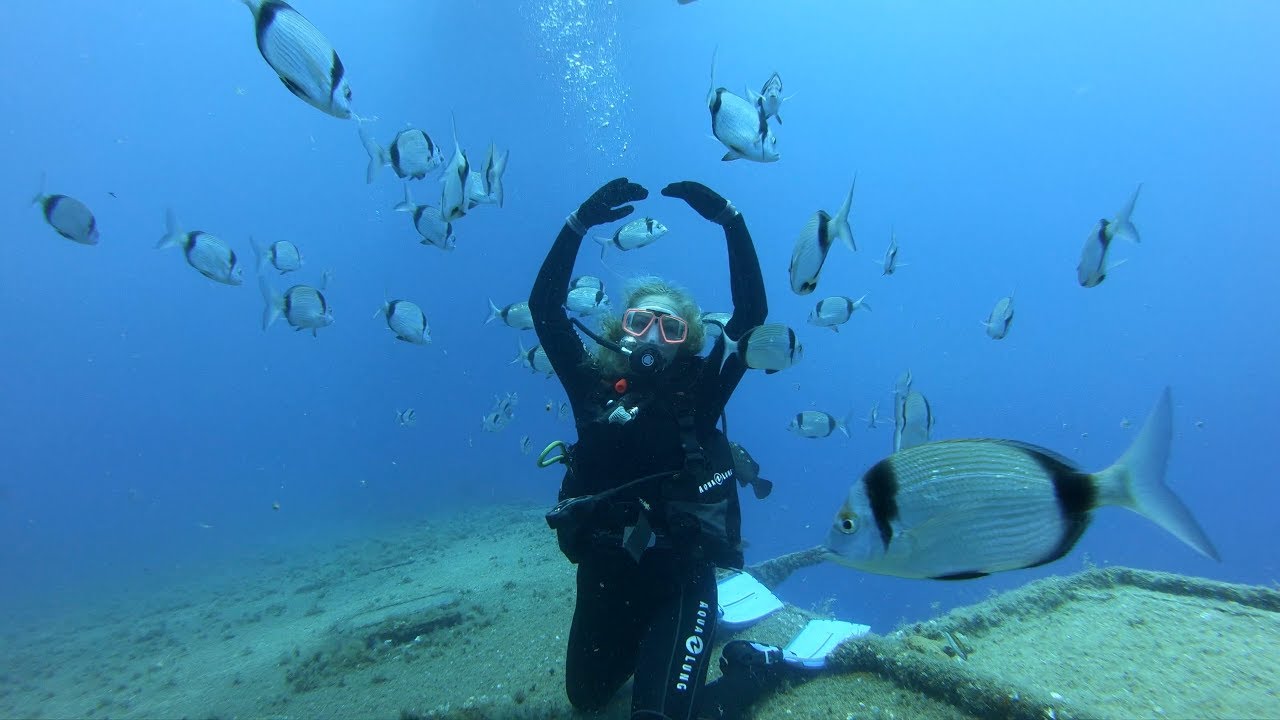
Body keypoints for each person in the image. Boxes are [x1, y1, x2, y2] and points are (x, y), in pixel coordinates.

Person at [529, 178, 793, 720]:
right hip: (606, 574)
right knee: (587, 698)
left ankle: (757, 666)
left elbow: (750, 315)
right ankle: (664, 654)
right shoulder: (591, 389)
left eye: (670, 328)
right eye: (639, 321)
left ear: (688, 342)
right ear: (619, 330)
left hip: (680, 577)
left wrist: (731, 218)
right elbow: (547, 312)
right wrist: (577, 223)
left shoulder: (699, 393)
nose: (652, 336)